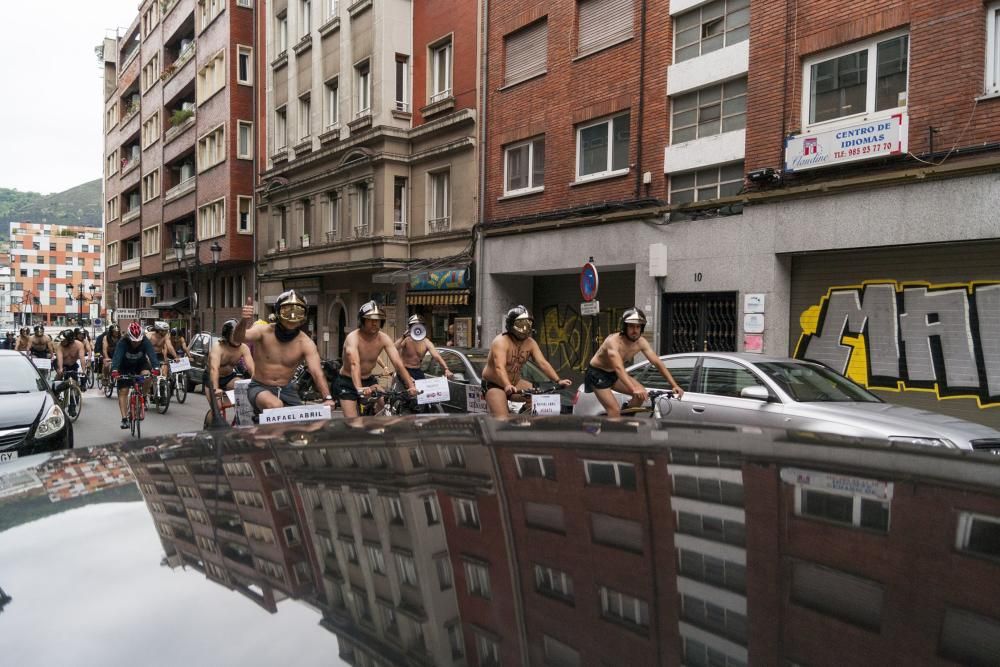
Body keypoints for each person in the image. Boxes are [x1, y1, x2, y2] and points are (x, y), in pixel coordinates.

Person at [234, 291, 335, 411]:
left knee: (305, 423)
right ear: (278, 312)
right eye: (287, 311)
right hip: (260, 387)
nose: (292, 317)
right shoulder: (262, 331)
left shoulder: (306, 343)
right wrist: (244, 321)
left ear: (303, 316)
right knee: (275, 406)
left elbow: (317, 372)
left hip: (286, 389)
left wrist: (327, 397)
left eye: (298, 312)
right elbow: (239, 338)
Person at [585, 307, 685, 416]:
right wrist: (633, 389)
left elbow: (657, 362)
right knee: (614, 410)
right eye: (631, 326)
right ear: (624, 327)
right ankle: (613, 429)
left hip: (613, 373)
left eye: (638, 327)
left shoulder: (641, 342)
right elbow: (618, 368)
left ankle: (624, 421)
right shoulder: (613, 341)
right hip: (597, 373)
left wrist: (674, 385)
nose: (635, 330)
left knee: (641, 395)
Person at [481, 305, 572, 417]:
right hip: (495, 384)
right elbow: (499, 367)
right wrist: (507, 385)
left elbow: (543, 363)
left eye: (528, 324)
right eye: (521, 324)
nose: (525, 328)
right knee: (502, 419)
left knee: (538, 398)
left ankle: (522, 417)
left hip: (516, 383)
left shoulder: (530, 343)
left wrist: (558, 381)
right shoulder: (500, 342)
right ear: (511, 324)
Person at [335, 301, 418, 418]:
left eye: (378, 320)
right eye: (370, 319)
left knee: (388, 407)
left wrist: (411, 385)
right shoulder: (352, 338)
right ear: (362, 320)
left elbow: (398, 363)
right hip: (347, 381)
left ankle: (374, 423)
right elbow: (354, 363)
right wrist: (359, 388)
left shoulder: (384, 338)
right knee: (353, 422)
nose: (375, 323)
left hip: (369, 380)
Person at [111, 321, 161, 429]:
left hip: (140, 364)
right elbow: (117, 357)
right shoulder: (122, 342)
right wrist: (114, 370)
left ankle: (142, 396)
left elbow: (151, 354)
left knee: (147, 376)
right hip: (124, 367)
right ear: (128, 337)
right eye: (134, 341)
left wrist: (156, 367)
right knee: (123, 391)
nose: (136, 343)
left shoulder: (145, 341)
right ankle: (124, 419)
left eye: (138, 341)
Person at [206, 319, 255, 409]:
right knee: (218, 408)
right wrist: (216, 389)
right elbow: (214, 369)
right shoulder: (218, 347)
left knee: (244, 390)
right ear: (227, 335)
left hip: (229, 378)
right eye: (234, 334)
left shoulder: (243, 348)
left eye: (239, 334)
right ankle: (213, 418)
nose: (237, 336)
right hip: (211, 379)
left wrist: (258, 384)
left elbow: (251, 368)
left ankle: (238, 419)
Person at [394, 314, 453, 381]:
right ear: (410, 327)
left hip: (417, 370)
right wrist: (403, 337)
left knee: (424, 389)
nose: (417, 328)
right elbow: (393, 348)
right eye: (414, 325)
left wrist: (446, 369)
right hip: (404, 370)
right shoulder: (406, 339)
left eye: (419, 325)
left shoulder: (426, 342)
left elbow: (437, 356)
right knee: (410, 386)